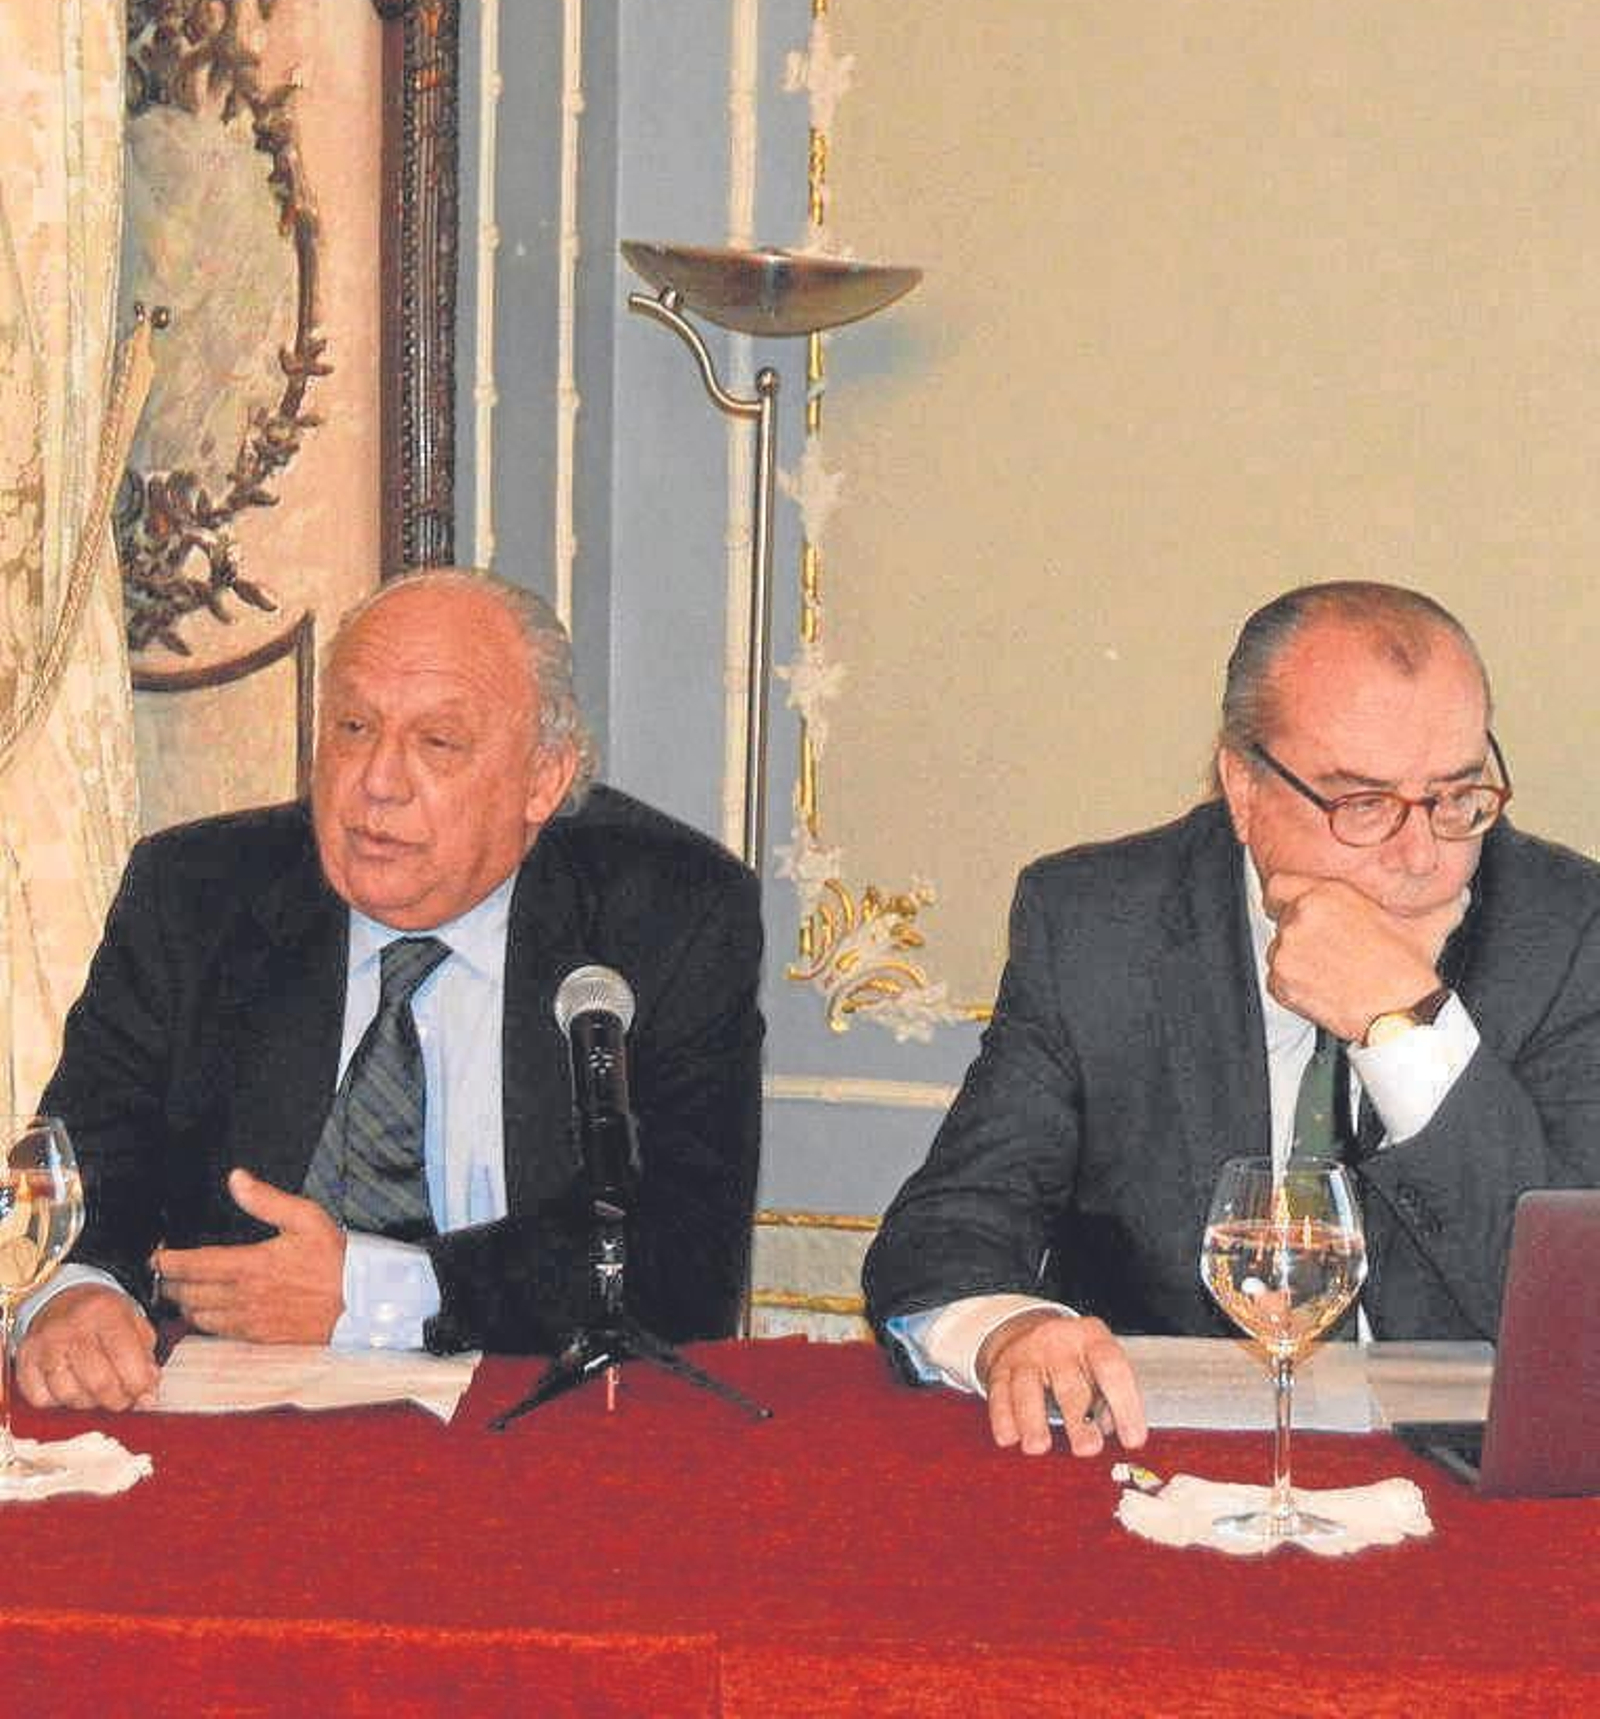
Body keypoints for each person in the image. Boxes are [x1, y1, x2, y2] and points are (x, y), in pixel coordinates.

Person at [863, 581, 1600, 1458]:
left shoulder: (1567, 932)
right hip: (1164, 1465)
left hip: (1468, 1482)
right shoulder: (1101, 926)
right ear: (1244, 786)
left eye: (1457, 795)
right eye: (1363, 804)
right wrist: (1009, 1330)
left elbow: (1577, 1325)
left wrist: (1403, 1024)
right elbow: (947, 1231)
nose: (1422, 855)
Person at [20, 568, 764, 1412]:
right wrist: (75, 1293)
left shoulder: (669, 916)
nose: (378, 780)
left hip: (536, 1427)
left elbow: (686, 1266)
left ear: (542, 781)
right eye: (353, 727)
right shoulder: (194, 895)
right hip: (240, 1431)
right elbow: (82, 1168)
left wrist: (380, 1294)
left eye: (438, 743)